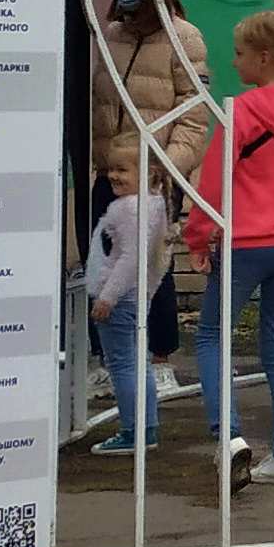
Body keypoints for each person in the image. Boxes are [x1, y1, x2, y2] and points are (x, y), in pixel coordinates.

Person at [187, 11, 274, 488]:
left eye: (240, 53)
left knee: (212, 337)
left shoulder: (241, 111)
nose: (234, 62)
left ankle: (228, 437)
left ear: (264, 58)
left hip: (245, 243)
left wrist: (197, 236)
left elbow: (214, 181)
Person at [87, 0, 213, 407]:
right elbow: (98, 102)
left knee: (152, 267)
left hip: (156, 176)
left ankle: (160, 360)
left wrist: (164, 167)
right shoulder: (112, 35)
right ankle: (109, 359)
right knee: (103, 264)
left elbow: (194, 113)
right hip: (112, 172)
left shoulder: (184, 36)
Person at [82, 180, 172, 456]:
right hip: (137, 294)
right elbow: (158, 257)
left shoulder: (127, 209)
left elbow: (130, 258)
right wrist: (148, 291)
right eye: (111, 169)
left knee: (121, 365)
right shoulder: (155, 204)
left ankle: (132, 430)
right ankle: (146, 428)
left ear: (146, 173)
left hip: (118, 297)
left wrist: (107, 297)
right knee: (139, 362)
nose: (113, 176)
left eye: (122, 169)